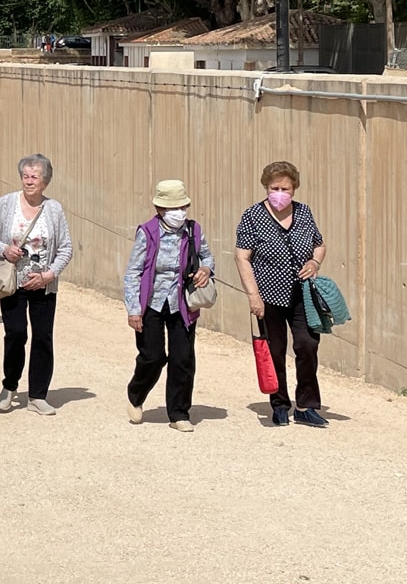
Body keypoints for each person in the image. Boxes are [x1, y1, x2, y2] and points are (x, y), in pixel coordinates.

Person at [235, 161, 329, 428]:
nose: (279, 193)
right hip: (268, 296)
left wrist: (315, 262)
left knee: (307, 345)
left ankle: (306, 405)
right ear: (266, 187)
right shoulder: (253, 215)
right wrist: (253, 295)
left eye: (285, 188)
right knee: (275, 350)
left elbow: (319, 244)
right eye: (274, 188)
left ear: (294, 188)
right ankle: (279, 404)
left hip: (302, 295)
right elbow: (242, 257)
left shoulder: (304, 212)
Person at [0, 154, 73, 416]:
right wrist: (4, 249)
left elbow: (66, 248)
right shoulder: (7, 203)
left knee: (43, 337)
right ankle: (9, 386)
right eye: (25, 176)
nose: (29, 181)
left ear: (45, 181)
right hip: (12, 282)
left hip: (43, 284)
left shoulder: (54, 209)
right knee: (16, 334)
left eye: (35, 177)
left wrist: (50, 275)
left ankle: (37, 395)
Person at [122, 180, 215, 432]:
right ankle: (136, 394)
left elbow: (207, 257)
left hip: (182, 303)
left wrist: (206, 269)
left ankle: (178, 413)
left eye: (182, 207)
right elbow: (133, 272)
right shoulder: (147, 232)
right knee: (152, 356)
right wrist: (133, 309)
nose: (179, 212)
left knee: (183, 358)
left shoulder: (194, 230)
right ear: (160, 209)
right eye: (173, 208)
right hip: (151, 303)